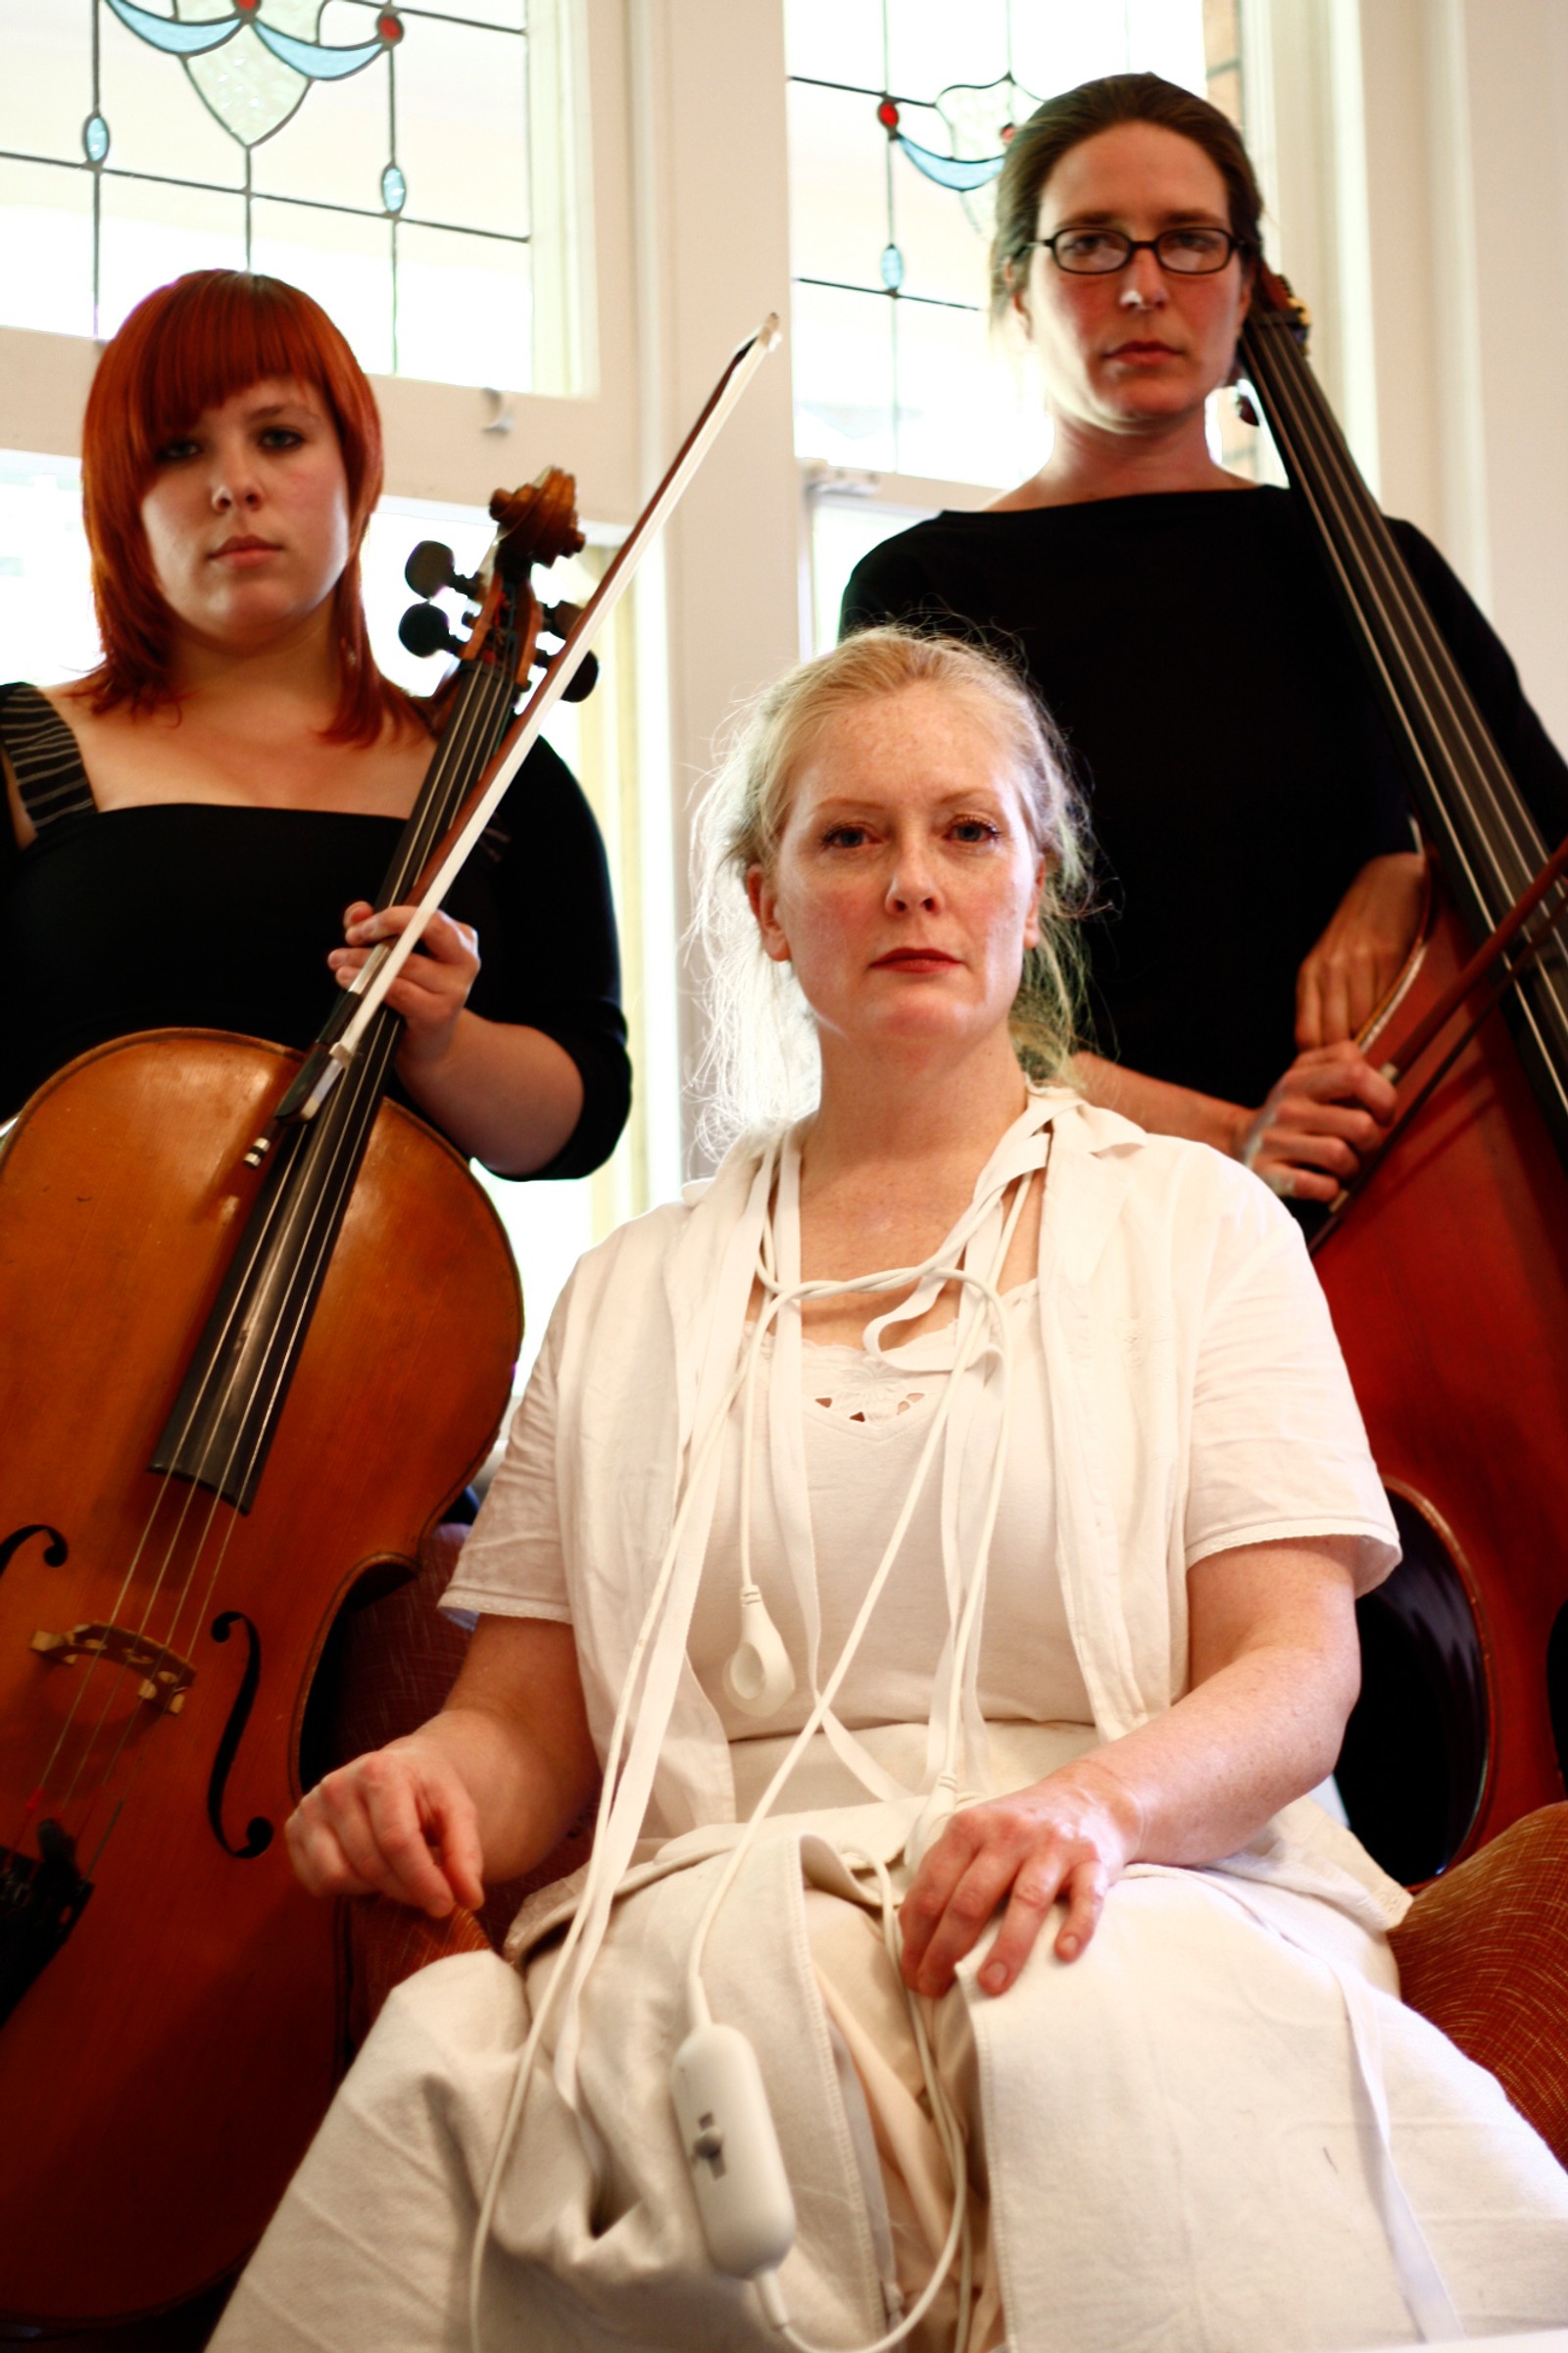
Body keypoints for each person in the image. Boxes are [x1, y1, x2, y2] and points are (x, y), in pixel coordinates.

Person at [215, 629, 1568, 2353]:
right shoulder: (629, 1288)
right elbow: (530, 1726)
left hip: (1142, 1893)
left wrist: (1092, 1814)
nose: (911, 882)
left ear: (1039, 884)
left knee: (1097, 2036)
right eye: (848, 839)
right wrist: (419, 1782)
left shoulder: (1203, 1229)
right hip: (713, 1928)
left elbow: (1296, 1674)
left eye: (966, 833)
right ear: (770, 906)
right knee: (691, 2062)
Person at [842, 74, 1568, 1206]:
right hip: (1083, 1207)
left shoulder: (1383, 566)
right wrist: (1233, 1142)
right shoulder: (927, 590)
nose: (1142, 286)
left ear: (1244, 289)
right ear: (1018, 289)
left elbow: (1546, 871)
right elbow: (922, 980)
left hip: (1409, 1197)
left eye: (1188, 242)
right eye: (1089, 244)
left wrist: (1411, 872)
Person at [0, 269, 630, 1180]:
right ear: (120, 504)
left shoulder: (499, 780)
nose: (235, 484)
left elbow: (579, 1124)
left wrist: (447, 1044)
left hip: (373, 1316)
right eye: (179, 448)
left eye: (280, 437)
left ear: (355, 474)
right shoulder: (16, 759)